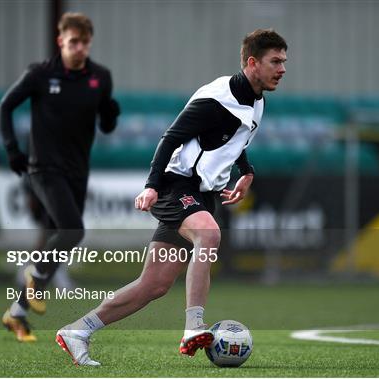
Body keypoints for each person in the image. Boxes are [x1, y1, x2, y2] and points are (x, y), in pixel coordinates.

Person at [55, 29, 287, 366]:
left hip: (202, 194)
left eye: (283, 62)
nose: (282, 69)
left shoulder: (258, 99)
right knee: (208, 234)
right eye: (275, 61)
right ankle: (194, 327)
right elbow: (170, 138)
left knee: (154, 284)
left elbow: (238, 140)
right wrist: (151, 185)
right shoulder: (214, 99)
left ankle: (78, 331)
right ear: (252, 62)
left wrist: (247, 172)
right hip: (176, 185)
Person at [0, 12, 120, 342]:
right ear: (61, 41)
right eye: (73, 42)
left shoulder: (100, 77)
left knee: (56, 236)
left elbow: (106, 124)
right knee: (72, 230)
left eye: (84, 42)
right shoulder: (41, 74)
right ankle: (35, 277)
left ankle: (17, 312)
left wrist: (110, 116)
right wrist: (12, 148)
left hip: (77, 171)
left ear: (89, 43)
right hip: (43, 169)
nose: (79, 48)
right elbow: (6, 106)